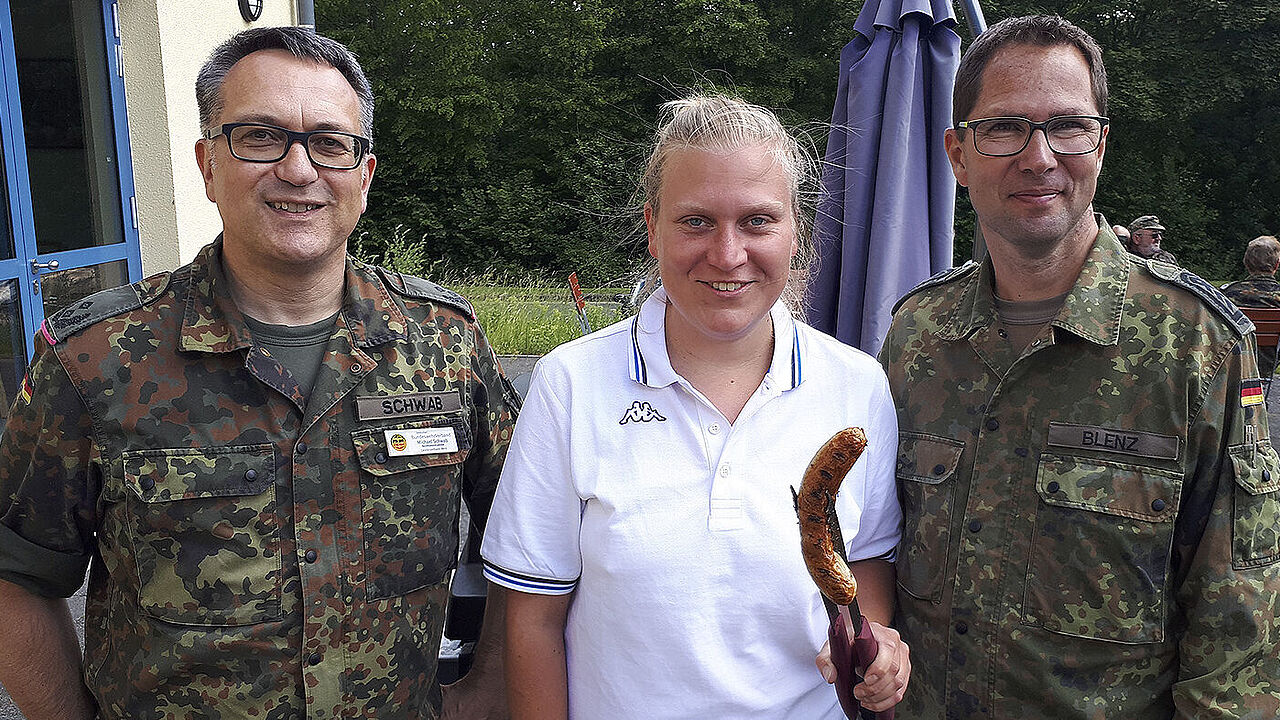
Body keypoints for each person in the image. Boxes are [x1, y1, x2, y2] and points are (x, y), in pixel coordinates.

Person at [0, 27, 518, 720]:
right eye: (260, 136)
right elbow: (17, 576)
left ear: (363, 177)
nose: (299, 170)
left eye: (330, 143)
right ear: (208, 164)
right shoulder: (96, 356)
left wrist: (486, 695)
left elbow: (530, 544)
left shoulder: (445, 344)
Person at [880, 15, 1280, 719]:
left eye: (1067, 125)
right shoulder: (917, 336)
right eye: (1004, 127)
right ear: (958, 154)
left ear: (1100, 144)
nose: (1039, 157)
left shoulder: (1198, 346)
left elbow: (1240, 639)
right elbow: (874, 545)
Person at [481, 94, 909, 718]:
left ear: (796, 231)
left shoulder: (858, 385)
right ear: (653, 228)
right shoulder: (569, 384)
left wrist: (873, 646)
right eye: (696, 221)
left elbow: (867, 556)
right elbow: (534, 621)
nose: (728, 254)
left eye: (758, 221)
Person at [1222, 235, 1280, 376]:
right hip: (1269, 364)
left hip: (1234, 364)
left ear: (1246, 263)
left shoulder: (1227, 294)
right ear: (1277, 264)